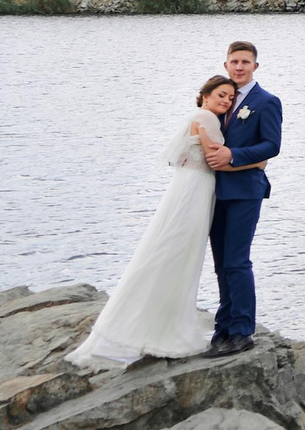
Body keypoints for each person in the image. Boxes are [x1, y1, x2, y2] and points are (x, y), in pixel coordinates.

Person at [68, 76, 233, 367]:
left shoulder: (199, 116)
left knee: (174, 251)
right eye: (221, 94)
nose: (226, 101)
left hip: (190, 185)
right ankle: (160, 328)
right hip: (195, 189)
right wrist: (255, 161)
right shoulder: (206, 117)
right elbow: (213, 156)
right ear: (205, 95)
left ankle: (155, 323)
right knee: (180, 254)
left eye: (231, 98)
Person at [201, 39, 281, 357]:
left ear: (255, 66)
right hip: (213, 192)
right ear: (226, 65)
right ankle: (223, 328)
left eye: (245, 62)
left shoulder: (266, 101)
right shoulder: (220, 99)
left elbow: (271, 146)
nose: (239, 67)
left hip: (246, 191)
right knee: (222, 264)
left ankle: (242, 331)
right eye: (234, 61)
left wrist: (234, 155)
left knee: (237, 261)